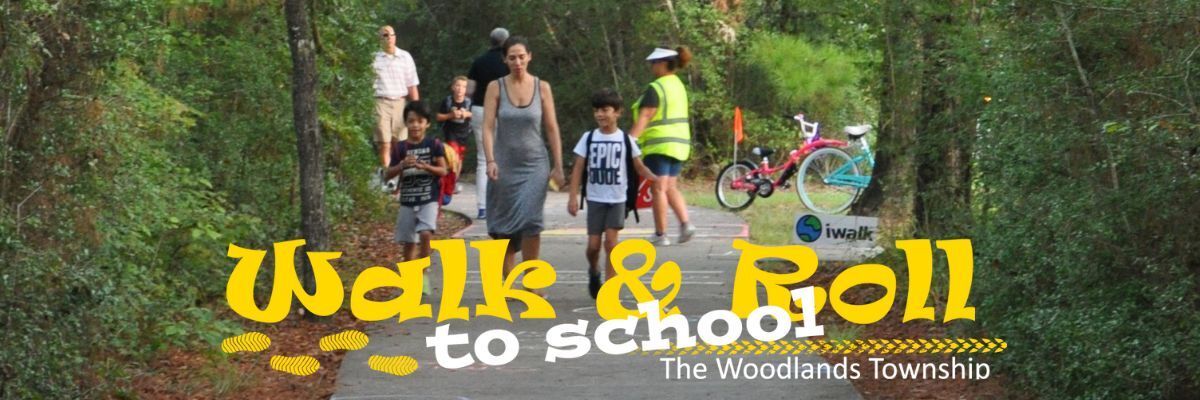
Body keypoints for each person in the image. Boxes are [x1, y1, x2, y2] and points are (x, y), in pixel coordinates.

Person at [481, 36, 566, 295]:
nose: (517, 62)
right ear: (504, 59)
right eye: (512, 57)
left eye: (521, 56)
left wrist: (559, 165)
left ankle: (532, 280)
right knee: (504, 226)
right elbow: (487, 126)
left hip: (535, 165)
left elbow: (551, 128)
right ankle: (507, 282)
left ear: (530, 56)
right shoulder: (495, 87)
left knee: (531, 222)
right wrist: (490, 160)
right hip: (504, 164)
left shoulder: (542, 88)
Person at [567, 88, 657, 299]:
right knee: (593, 246)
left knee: (611, 243)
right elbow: (579, 167)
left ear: (617, 112)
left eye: (605, 110)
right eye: (596, 110)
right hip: (595, 198)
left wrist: (654, 178)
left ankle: (610, 289)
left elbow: (639, 166)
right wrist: (572, 197)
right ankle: (594, 270)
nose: (600, 114)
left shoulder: (626, 140)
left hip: (617, 199)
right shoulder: (588, 138)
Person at [627, 46, 695, 246]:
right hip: (680, 144)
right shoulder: (678, 85)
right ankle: (685, 225)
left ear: (664, 63)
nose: (651, 67)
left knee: (658, 188)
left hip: (660, 144)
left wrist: (630, 139)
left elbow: (646, 115)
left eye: (654, 63)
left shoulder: (656, 87)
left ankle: (660, 234)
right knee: (670, 187)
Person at [383, 101, 446, 296]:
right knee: (409, 243)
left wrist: (425, 167)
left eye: (420, 121)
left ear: (427, 123)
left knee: (426, 233)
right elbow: (387, 174)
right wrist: (402, 165)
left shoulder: (434, 145)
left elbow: (443, 170)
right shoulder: (400, 148)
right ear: (406, 123)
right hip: (408, 200)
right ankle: (411, 281)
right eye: (411, 121)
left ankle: (423, 274)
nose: (415, 125)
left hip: (429, 198)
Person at [466, 27, 511, 219]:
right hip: (503, 110)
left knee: (483, 159)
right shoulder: (508, 62)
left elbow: (469, 90)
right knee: (504, 157)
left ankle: (483, 207)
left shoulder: (478, 62)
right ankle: (503, 204)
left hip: (480, 110)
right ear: (506, 42)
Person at [373, 25, 421, 190]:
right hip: (381, 101)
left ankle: (397, 180)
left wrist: (416, 108)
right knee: (384, 143)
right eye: (384, 35)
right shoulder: (374, 58)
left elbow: (412, 84)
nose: (388, 38)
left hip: (401, 102)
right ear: (380, 38)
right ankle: (387, 175)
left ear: (395, 36)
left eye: (391, 35)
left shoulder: (405, 57)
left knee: (399, 143)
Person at [437, 76, 472, 196]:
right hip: (450, 134)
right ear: (453, 87)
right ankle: (448, 184)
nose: (460, 89)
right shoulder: (447, 101)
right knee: (453, 157)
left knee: (459, 160)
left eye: (463, 86)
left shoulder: (468, 102)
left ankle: (453, 182)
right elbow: (438, 116)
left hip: (464, 135)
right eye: (458, 85)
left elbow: (475, 115)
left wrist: (466, 114)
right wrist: (450, 115)